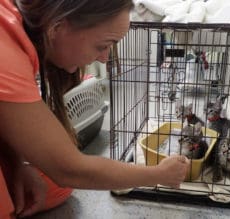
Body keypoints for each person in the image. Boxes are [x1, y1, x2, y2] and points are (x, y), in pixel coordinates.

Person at [0, 0, 190, 218]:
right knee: (60, 176)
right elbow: (69, 169)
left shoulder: (18, 30)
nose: (104, 58)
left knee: (54, 188)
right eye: (102, 46)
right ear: (56, 27)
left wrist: (17, 165)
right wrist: (160, 174)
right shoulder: (5, 54)